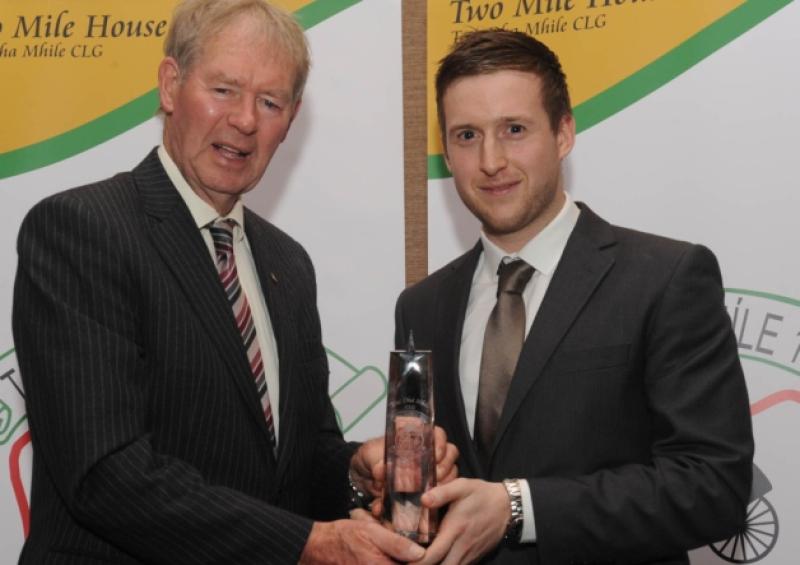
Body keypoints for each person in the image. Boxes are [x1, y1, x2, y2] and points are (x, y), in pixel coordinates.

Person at [12, 1, 457, 563]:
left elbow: (298, 459)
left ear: (290, 120)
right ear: (170, 85)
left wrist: (358, 469)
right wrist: (305, 543)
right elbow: (106, 474)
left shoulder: (287, 263)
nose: (245, 120)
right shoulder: (82, 230)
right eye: (223, 90)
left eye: (269, 102)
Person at [395, 29, 754, 564]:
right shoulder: (422, 305)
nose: (491, 160)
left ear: (564, 133)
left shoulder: (665, 278)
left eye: (514, 129)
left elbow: (713, 486)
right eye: (467, 135)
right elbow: (426, 479)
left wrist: (520, 508)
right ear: (446, 151)